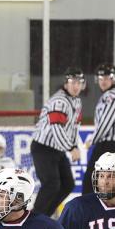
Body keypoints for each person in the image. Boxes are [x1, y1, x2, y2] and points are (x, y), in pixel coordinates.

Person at [31, 67, 84, 217]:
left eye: (79, 83)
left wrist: (74, 146)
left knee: (68, 184)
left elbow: (74, 128)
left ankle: (44, 216)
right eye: (73, 82)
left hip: (57, 149)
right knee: (51, 184)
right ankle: (34, 220)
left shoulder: (77, 102)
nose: (76, 86)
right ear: (66, 83)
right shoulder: (58, 101)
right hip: (43, 148)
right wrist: (71, 147)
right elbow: (57, 129)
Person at [82, 63, 115, 195]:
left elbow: (105, 123)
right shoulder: (110, 95)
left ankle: (85, 212)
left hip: (112, 144)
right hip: (112, 143)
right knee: (114, 178)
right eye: (101, 78)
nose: (103, 81)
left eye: (107, 78)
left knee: (93, 178)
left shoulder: (112, 96)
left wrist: (91, 140)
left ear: (113, 79)